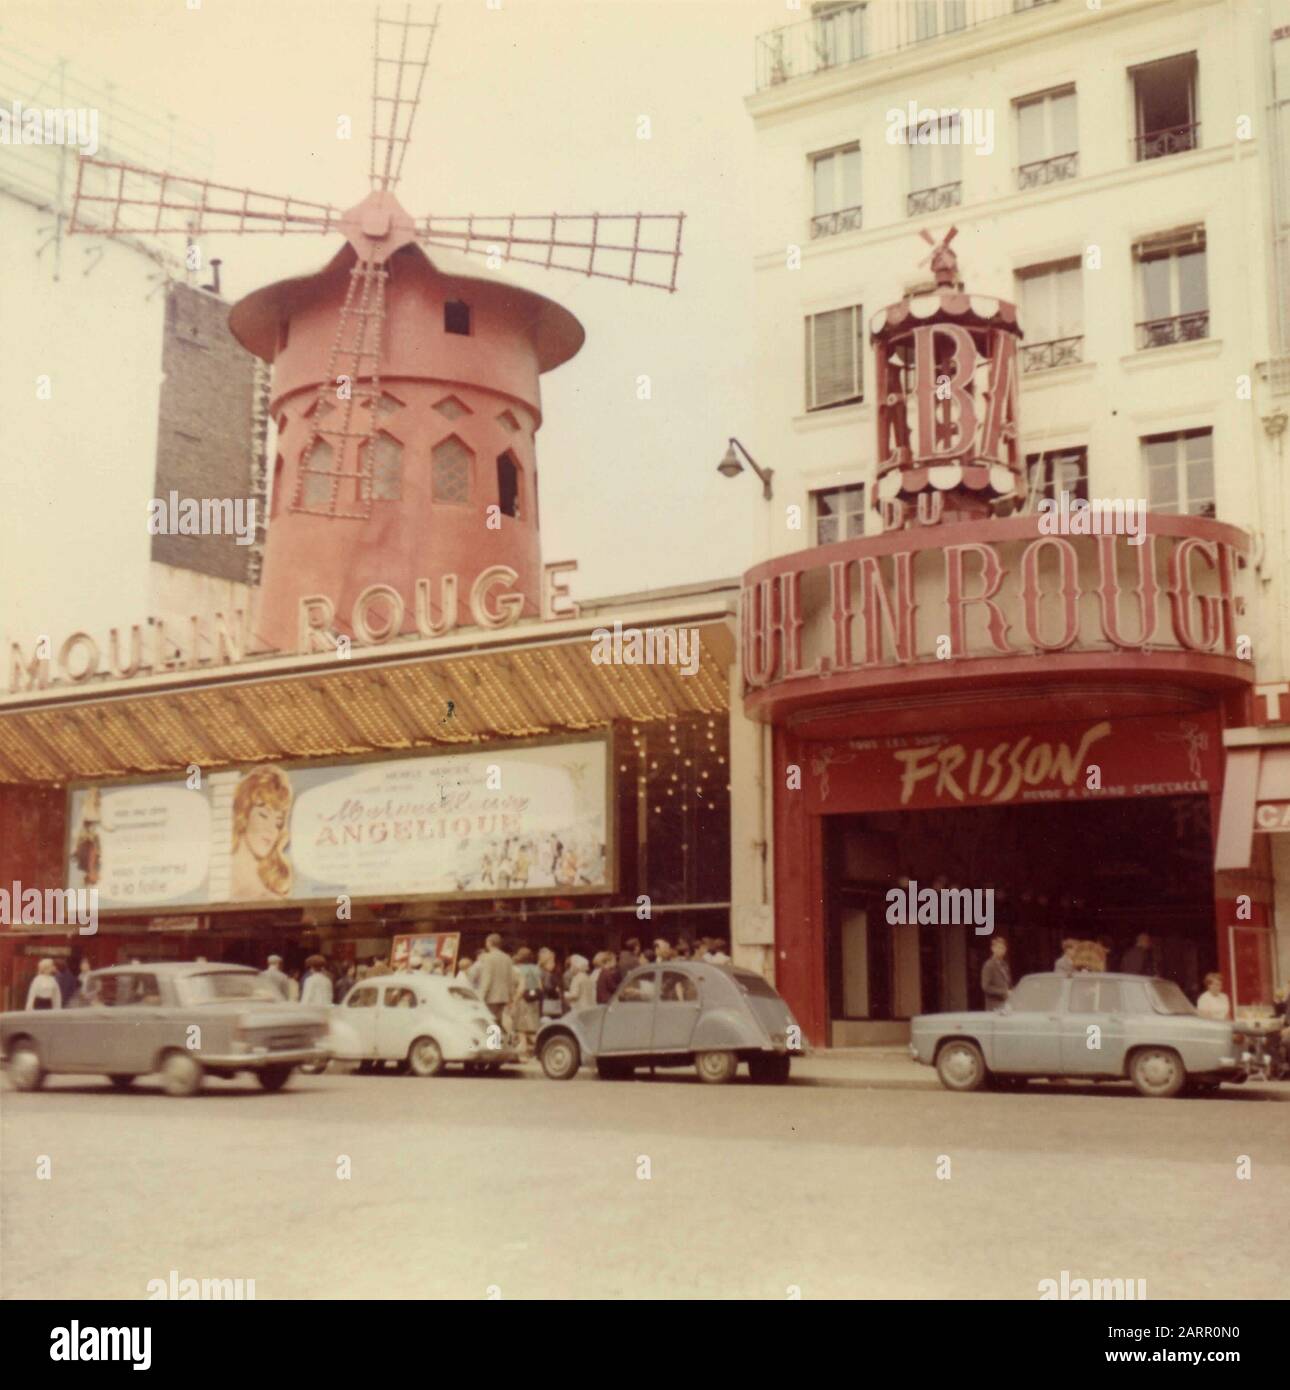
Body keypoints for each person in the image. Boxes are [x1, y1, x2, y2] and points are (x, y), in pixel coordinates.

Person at [475, 933, 515, 1030]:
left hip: (491, 996)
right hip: (503, 996)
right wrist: (511, 997)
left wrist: (480, 996)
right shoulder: (507, 958)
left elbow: (486, 979)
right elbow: (511, 979)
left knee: (490, 1021)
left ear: (489, 943)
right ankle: (497, 1042)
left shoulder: (488, 957)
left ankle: (492, 1043)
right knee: (498, 1021)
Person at [511, 947, 542, 1060]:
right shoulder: (536, 969)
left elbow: (521, 987)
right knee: (532, 1026)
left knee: (521, 1027)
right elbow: (540, 986)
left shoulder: (519, 969)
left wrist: (515, 1000)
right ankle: (537, 1049)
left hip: (523, 1000)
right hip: (534, 1000)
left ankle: (523, 1053)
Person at [981, 937, 1011, 1011]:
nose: (1001, 950)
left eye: (1003, 948)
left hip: (1005, 1004)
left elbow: (1008, 983)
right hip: (993, 1005)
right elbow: (986, 987)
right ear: (993, 949)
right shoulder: (989, 965)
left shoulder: (1005, 965)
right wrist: (1004, 991)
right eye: (998, 948)